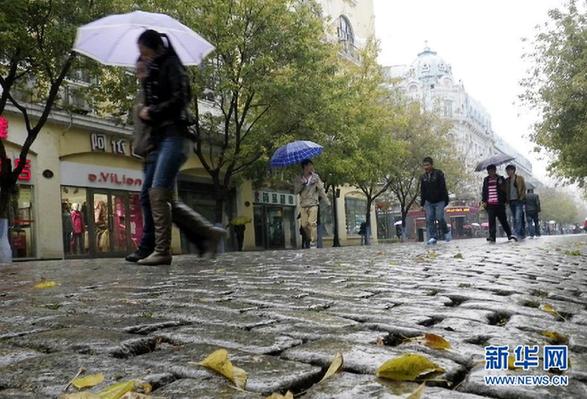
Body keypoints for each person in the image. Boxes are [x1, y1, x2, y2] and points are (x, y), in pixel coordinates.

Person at [125, 29, 225, 266]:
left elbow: (181, 99)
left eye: (145, 52)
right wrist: (146, 83)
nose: (143, 57)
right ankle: (209, 234)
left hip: (175, 137)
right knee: (159, 195)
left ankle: (162, 251)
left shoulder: (172, 65)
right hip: (160, 140)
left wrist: (153, 110)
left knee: (157, 193)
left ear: (154, 48)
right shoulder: (155, 71)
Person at [294, 159, 330, 249]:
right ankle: (310, 238)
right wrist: (302, 184)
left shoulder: (316, 177)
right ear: (305, 167)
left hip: (313, 203)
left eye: (312, 165)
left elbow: (321, 190)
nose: (312, 167)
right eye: (310, 165)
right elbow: (295, 191)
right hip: (303, 204)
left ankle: (313, 242)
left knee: (312, 223)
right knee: (304, 225)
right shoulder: (299, 178)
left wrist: (327, 201)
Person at [482, 164, 517, 243]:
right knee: (491, 221)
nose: (490, 173)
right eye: (489, 171)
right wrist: (484, 201)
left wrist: (505, 201)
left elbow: (505, 190)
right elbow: (484, 191)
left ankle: (509, 234)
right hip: (490, 204)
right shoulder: (486, 180)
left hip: (499, 204)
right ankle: (492, 236)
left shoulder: (500, 178)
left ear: (495, 171)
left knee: (503, 220)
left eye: (492, 171)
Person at [420, 157, 451, 245]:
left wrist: (446, 200)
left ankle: (446, 232)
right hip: (429, 202)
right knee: (430, 219)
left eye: (427, 165)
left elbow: (443, 187)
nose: (426, 167)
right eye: (424, 165)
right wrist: (422, 204)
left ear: (431, 165)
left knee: (440, 218)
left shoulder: (438, 173)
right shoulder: (423, 177)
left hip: (439, 200)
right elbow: (422, 190)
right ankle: (433, 237)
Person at [505, 164, 526, 240]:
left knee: (517, 218)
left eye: (509, 170)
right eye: (507, 171)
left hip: (518, 201)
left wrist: (521, 198)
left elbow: (523, 189)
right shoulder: (507, 180)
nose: (508, 172)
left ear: (513, 170)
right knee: (515, 218)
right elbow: (505, 191)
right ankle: (522, 233)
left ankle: (515, 234)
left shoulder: (520, 178)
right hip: (511, 201)